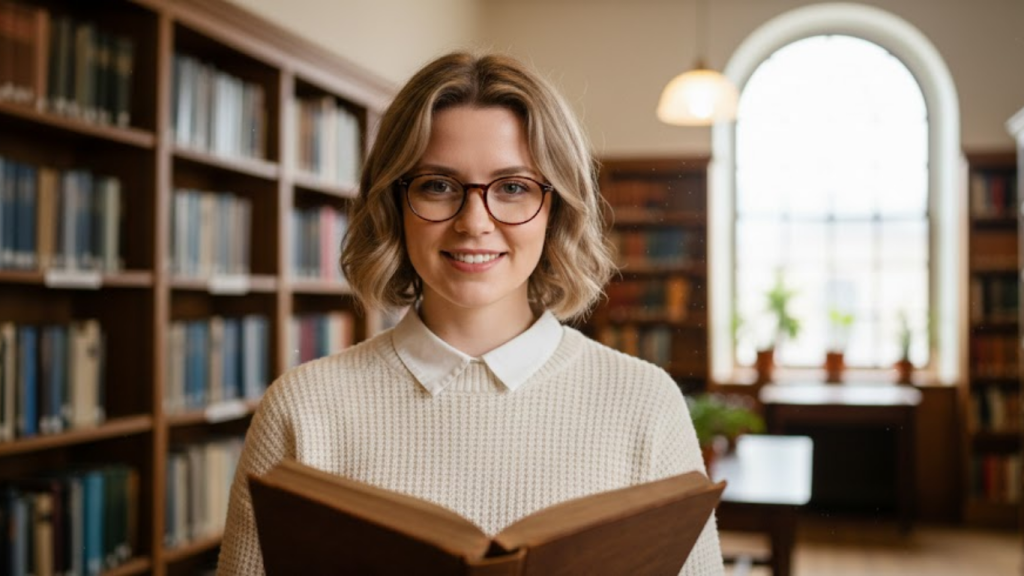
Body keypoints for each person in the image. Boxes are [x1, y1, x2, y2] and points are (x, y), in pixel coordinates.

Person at [216, 52, 723, 575]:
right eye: (438, 185)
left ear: (556, 209)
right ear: (394, 202)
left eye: (513, 188)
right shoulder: (303, 408)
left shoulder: (644, 402)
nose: (474, 222)